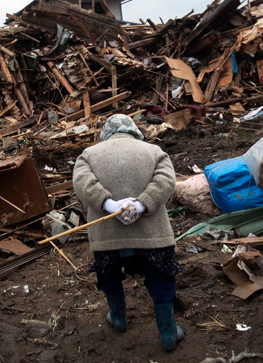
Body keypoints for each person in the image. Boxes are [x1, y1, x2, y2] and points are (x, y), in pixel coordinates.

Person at [73, 114, 184, 351]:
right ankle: (168, 334)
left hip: (107, 237)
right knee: (161, 279)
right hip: (152, 236)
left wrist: (110, 205)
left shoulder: (89, 155)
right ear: (135, 131)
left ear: (106, 133)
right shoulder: (154, 151)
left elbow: (82, 182)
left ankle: (119, 319)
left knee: (110, 277)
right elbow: (166, 181)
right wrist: (141, 205)